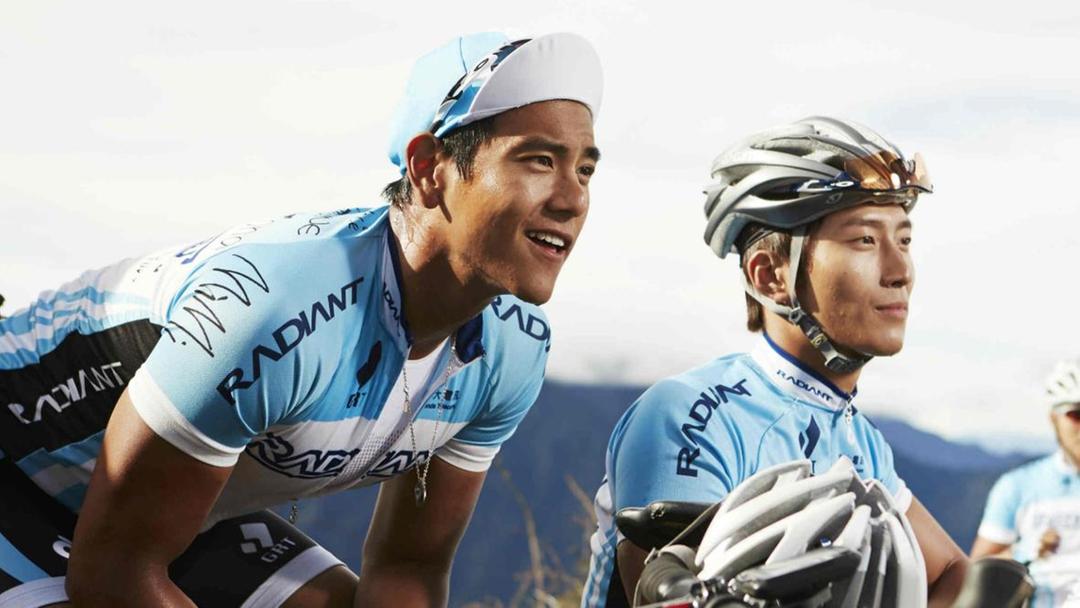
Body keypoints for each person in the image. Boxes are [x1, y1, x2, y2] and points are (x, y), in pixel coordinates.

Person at [0, 31, 602, 607]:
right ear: (428, 168)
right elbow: (112, 574)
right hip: (19, 474)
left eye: (584, 169)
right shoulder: (277, 308)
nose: (572, 199)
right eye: (538, 160)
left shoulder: (513, 350)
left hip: (161, 512)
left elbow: (406, 570)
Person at [581, 116, 968, 607]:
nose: (900, 272)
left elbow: (957, 572)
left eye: (904, 240)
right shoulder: (690, 416)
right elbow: (667, 596)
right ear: (770, 277)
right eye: (865, 240)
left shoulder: (861, 439)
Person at [972, 359, 1080, 606]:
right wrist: (1024, 551)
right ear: (1054, 418)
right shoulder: (1017, 487)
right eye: (1076, 414)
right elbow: (975, 571)